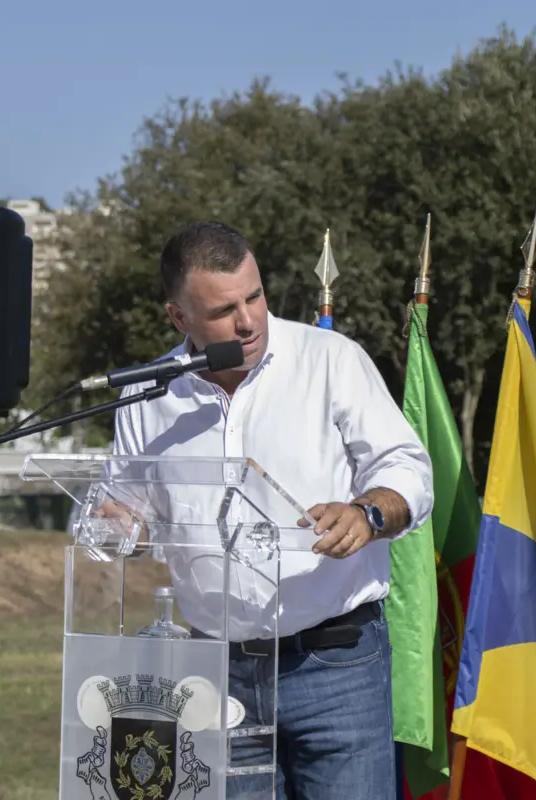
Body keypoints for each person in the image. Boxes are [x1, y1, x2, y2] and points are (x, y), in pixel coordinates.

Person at [102, 221, 434, 799]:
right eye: (225, 309)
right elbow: (126, 510)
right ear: (179, 318)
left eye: (254, 296)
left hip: (336, 666)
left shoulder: (330, 360)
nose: (249, 320)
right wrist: (116, 525)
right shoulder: (147, 396)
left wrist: (368, 514)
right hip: (213, 673)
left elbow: (407, 468)